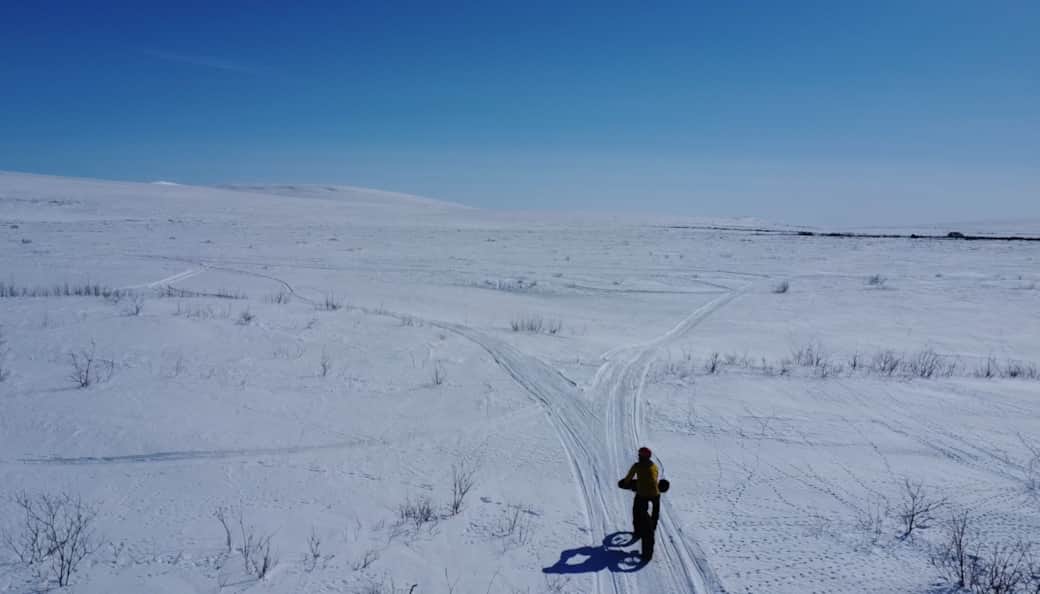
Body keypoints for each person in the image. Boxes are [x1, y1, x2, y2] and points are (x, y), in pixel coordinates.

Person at [619, 446, 660, 560]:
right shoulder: (654, 466)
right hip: (656, 494)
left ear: (641, 456)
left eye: (639, 454)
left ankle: (638, 532)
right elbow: (653, 478)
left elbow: (628, 479)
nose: (638, 455)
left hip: (642, 494)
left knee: (637, 511)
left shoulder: (637, 466)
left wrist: (625, 483)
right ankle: (654, 526)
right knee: (655, 513)